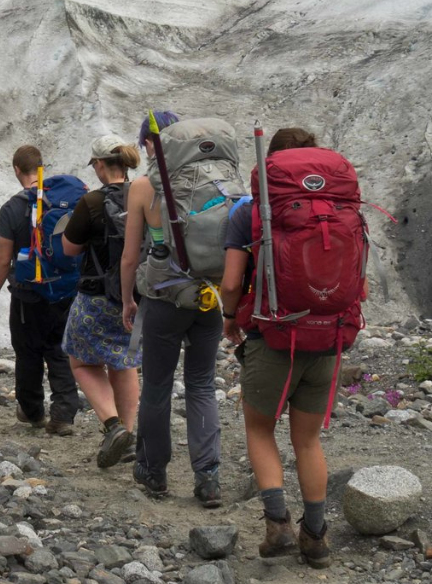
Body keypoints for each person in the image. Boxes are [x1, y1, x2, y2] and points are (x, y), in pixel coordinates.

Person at [219, 127, 333, 567]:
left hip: (272, 337)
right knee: (308, 441)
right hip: (326, 338)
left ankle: (278, 525)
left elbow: (231, 282)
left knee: (260, 429)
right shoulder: (334, 206)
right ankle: (317, 538)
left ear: (271, 165)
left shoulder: (248, 211)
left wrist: (230, 318)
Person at [119, 110, 223, 507]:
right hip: (207, 299)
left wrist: (129, 299)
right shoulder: (212, 182)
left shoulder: (144, 187)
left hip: (163, 299)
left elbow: (131, 256)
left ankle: (154, 471)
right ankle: (208, 477)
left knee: (158, 386)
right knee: (201, 385)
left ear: (149, 144)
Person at [0, 145, 81, 436]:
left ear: (17, 169)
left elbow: (4, 258)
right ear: (41, 166)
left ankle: (32, 411)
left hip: (29, 293)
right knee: (59, 349)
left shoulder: (13, 207)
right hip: (66, 289)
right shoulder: (67, 199)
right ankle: (63, 414)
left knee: (27, 351)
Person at [60, 134, 142, 468]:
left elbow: (69, 249)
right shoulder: (146, 195)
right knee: (123, 361)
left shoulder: (92, 202)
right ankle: (129, 435)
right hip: (138, 295)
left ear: (99, 165)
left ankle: (112, 425)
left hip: (97, 294)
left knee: (81, 362)